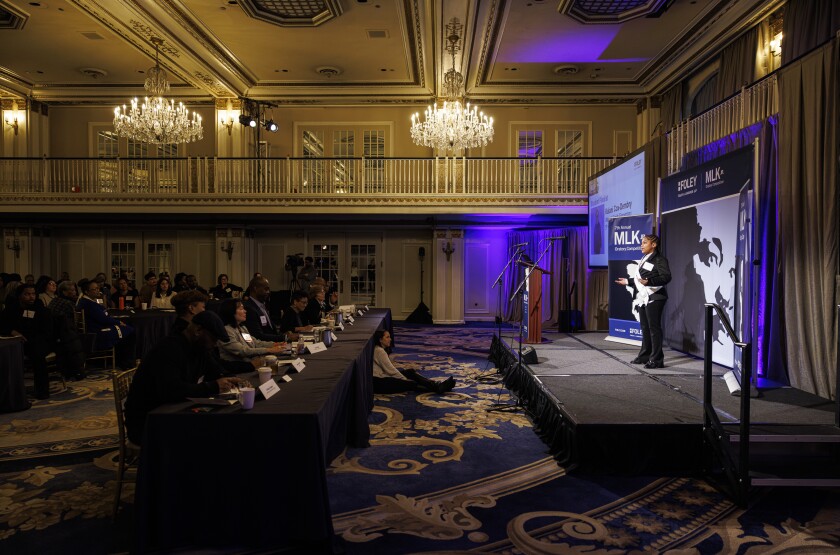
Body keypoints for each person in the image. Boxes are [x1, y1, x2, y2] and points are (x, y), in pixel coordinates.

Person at [124, 311, 250, 445]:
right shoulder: (168, 349)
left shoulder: (199, 348)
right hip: (148, 422)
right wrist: (213, 386)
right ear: (198, 330)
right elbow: (171, 391)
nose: (215, 344)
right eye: (214, 339)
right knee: (212, 436)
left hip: (174, 412)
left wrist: (230, 379)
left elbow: (216, 371)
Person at [615, 233, 671, 369]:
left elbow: (666, 277)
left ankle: (657, 360)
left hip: (655, 297)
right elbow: (641, 280)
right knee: (645, 328)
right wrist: (627, 281)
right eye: (642, 242)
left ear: (654, 245)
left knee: (654, 329)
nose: (641, 244)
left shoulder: (659, 259)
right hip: (643, 297)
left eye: (645, 242)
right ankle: (645, 355)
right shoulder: (644, 258)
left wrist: (650, 281)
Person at [0, 283, 53, 399]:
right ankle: (10, 391)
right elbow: (3, 325)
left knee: (38, 355)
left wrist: (32, 339)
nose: (31, 297)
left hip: (39, 341)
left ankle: (42, 391)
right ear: (20, 295)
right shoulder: (12, 308)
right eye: (27, 294)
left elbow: (47, 331)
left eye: (33, 294)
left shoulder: (40, 309)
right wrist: (13, 331)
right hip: (17, 342)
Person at [77, 278, 137, 369]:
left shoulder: (86, 301)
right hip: (96, 333)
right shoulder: (89, 304)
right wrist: (119, 322)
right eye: (95, 289)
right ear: (87, 292)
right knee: (130, 332)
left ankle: (121, 361)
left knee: (127, 329)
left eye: (98, 288)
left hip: (96, 328)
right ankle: (127, 363)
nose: (98, 290)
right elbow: (103, 319)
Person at [372, 329, 455, 394]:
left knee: (410, 372)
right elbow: (390, 370)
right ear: (380, 340)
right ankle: (438, 387)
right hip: (380, 383)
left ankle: (437, 386)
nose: (390, 339)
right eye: (387, 337)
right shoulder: (380, 351)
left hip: (382, 378)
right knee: (410, 384)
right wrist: (404, 379)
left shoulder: (379, 349)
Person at [217, 299, 285, 374]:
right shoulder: (226, 331)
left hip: (252, 366)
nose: (245, 311)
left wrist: (274, 344)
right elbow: (242, 351)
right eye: (241, 309)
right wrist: (269, 350)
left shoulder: (242, 328)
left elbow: (254, 343)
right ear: (230, 311)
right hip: (238, 370)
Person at [48, 280, 86, 380]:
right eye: (72, 290)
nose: (75, 293)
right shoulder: (68, 304)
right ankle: (78, 371)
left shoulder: (54, 300)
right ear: (64, 292)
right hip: (64, 336)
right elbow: (75, 323)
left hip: (52, 335)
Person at [243, 276, 296, 343]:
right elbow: (258, 335)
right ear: (255, 288)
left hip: (275, 345)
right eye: (266, 289)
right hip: (263, 348)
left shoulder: (262, 305)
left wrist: (284, 334)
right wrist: (284, 337)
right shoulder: (249, 308)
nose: (268, 292)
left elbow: (270, 329)